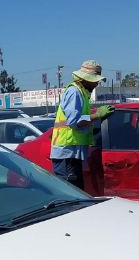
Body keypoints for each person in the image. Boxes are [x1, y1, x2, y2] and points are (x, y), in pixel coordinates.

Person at [50, 60, 115, 190]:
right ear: (86, 78)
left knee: (77, 193)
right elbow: (74, 122)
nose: (97, 83)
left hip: (71, 153)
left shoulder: (82, 93)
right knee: (71, 197)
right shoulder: (74, 92)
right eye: (95, 80)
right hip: (66, 153)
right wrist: (97, 115)